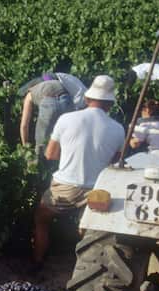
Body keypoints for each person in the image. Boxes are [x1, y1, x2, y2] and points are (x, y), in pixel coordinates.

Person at [32, 75, 126, 263]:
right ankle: (84, 265)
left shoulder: (66, 119)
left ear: (87, 98)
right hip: (96, 190)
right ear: (110, 104)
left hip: (65, 187)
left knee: (41, 218)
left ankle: (37, 262)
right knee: (90, 231)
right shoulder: (118, 129)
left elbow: (50, 154)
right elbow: (115, 162)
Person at [20, 76, 74, 167]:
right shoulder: (53, 83)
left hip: (49, 102)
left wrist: (26, 147)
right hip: (67, 99)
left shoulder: (30, 94)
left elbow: (24, 125)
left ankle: (39, 170)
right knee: (64, 140)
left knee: (41, 145)